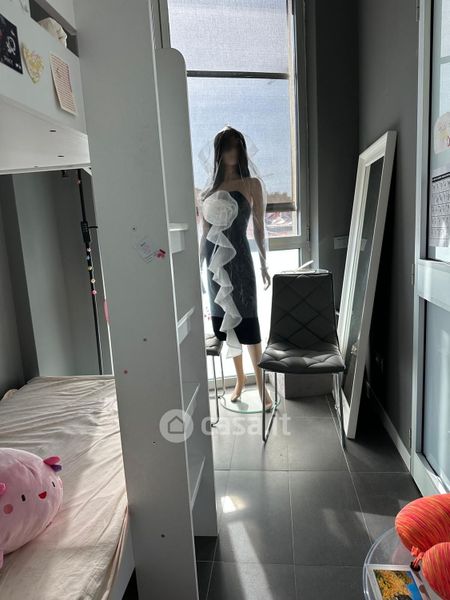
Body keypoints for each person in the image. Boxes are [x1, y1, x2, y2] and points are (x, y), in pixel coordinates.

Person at [199, 126, 273, 411]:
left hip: (241, 261)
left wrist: (264, 263)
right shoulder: (208, 191)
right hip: (215, 266)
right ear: (219, 152)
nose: (234, 152)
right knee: (228, 325)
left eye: (238, 146)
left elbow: (260, 228)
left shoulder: (252, 184)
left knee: (249, 324)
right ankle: (240, 381)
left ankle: (261, 386)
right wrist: (198, 268)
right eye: (228, 146)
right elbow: (204, 235)